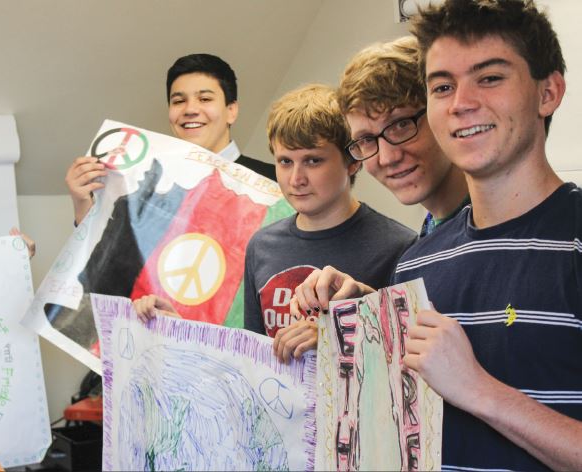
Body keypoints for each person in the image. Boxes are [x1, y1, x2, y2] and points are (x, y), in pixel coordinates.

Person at [293, 1, 582, 470]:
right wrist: (372, 324)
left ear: (547, 93)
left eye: (490, 77)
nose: (462, 102)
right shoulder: (416, 264)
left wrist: (476, 388)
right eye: (443, 86)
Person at [244, 84, 416, 353]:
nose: (296, 179)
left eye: (313, 161)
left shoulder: (400, 247)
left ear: (353, 160)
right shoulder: (261, 245)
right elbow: (251, 352)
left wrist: (334, 340)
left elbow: (407, 359)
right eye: (285, 162)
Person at [66, 53, 276, 225]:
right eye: (178, 101)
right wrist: (83, 204)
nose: (190, 110)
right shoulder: (145, 184)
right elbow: (112, 257)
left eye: (204, 99)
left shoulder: (277, 182)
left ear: (231, 111)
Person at [339, 35, 469, 237]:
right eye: (366, 140)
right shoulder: (433, 233)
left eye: (401, 125)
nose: (387, 158)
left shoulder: (501, 226)